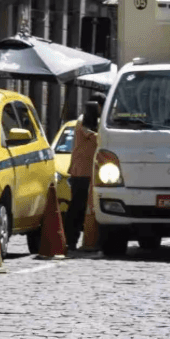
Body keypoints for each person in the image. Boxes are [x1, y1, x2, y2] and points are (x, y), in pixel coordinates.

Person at [65, 96, 101, 248]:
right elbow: (96, 138)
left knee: (89, 208)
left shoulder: (94, 121)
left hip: (91, 172)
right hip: (81, 172)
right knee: (77, 207)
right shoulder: (82, 121)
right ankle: (69, 240)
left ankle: (89, 239)